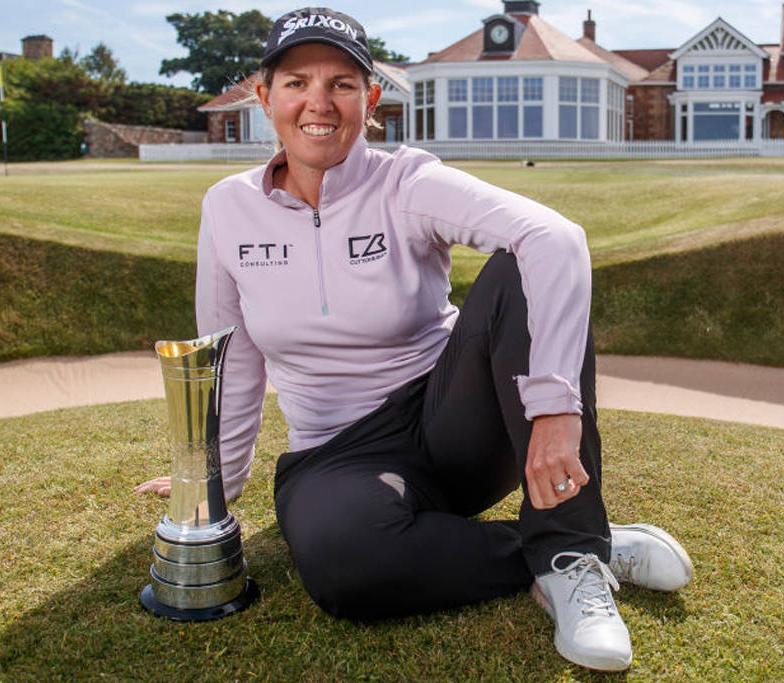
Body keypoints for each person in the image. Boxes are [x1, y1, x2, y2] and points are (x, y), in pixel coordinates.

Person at [136, 7, 692, 672]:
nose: (319, 103)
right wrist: (211, 485)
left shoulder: (405, 182)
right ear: (264, 97)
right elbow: (230, 354)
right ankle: (574, 545)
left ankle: (569, 553)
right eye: (296, 83)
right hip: (336, 456)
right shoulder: (227, 208)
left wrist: (554, 408)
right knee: (343, 566)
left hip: (453, 422)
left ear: (371, 99)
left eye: (342, 83)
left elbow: (557, 240)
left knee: (525, 267)